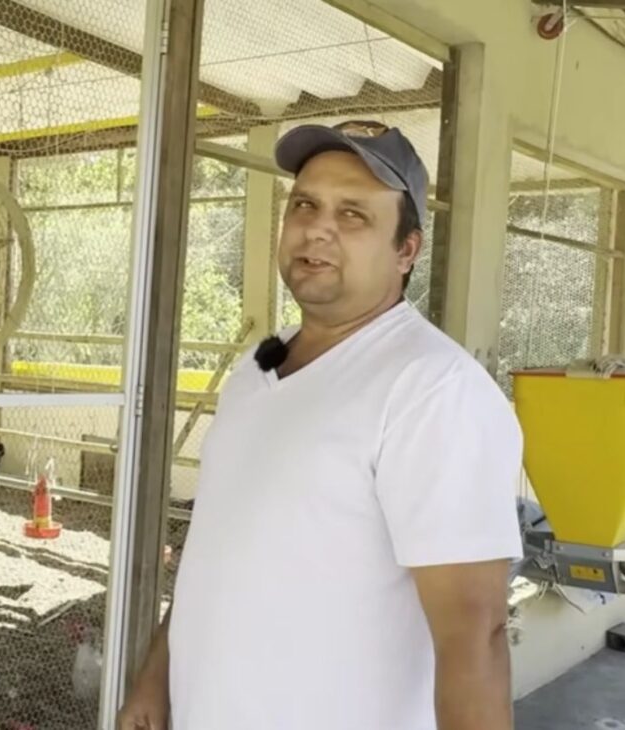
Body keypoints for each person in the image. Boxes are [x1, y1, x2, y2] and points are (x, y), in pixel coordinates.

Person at [117, 121, 523, 730]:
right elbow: (219, 546)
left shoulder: (433, 391)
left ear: (406, 251)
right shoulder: (260, 368)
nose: (317, 228)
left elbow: (475, 638)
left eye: (354, 214)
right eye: (304, 204)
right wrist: (155, 675)